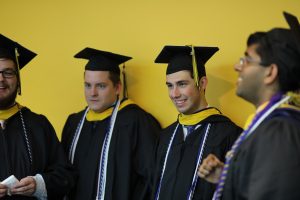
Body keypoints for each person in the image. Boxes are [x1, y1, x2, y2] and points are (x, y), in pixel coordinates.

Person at [198, 11, 300, 200]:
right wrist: (227, 177)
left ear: (270, 72)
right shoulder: (268, 124)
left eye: (246, 60)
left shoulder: (280, 130)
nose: (238, 66)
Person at [61, 47, 161, 200]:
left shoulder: (136, 122)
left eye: (101, 86)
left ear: (117, 87)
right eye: (88, 85)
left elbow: (151, 180)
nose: (92, 93)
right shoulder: (74, 123)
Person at [152, 45, 242, 200]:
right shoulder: (166, 136)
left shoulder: (230, 135)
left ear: (202, 83)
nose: (174, 94)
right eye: (170, 86)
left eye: (182, 84)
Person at [0, 34, 75, 199]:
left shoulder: (38, 125)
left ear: (18, 80)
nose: (1, 79)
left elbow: (64, 176)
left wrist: (39, 184)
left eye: (8, 73)